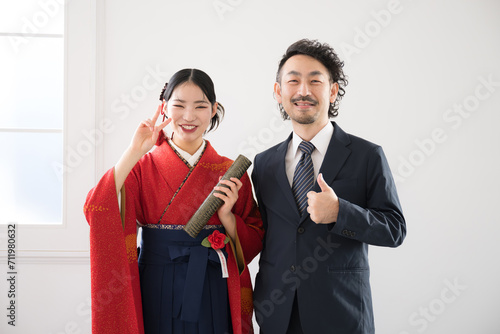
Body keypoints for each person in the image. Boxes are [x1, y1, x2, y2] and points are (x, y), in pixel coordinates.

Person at [84, 68, 264, 334]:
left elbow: (248, 249)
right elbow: (97, 208)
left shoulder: (229, 171)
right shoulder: (141, 166)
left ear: (213, 109)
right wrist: (134, 151)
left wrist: (227, 217)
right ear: (164, 108)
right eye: (179, 105)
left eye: (200, 106)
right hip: (156, 282)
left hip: (213, 282)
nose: (189, 117)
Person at [251, 39, 406, 334]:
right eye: (293, 81)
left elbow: (395, 229)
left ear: (333, 90)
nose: (303, 91)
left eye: (315, 81)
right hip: (277, 314)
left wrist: (340, 212)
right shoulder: (264, 163)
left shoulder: (367, 156)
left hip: (341, 313)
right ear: (278, 92)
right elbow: (268, 235)